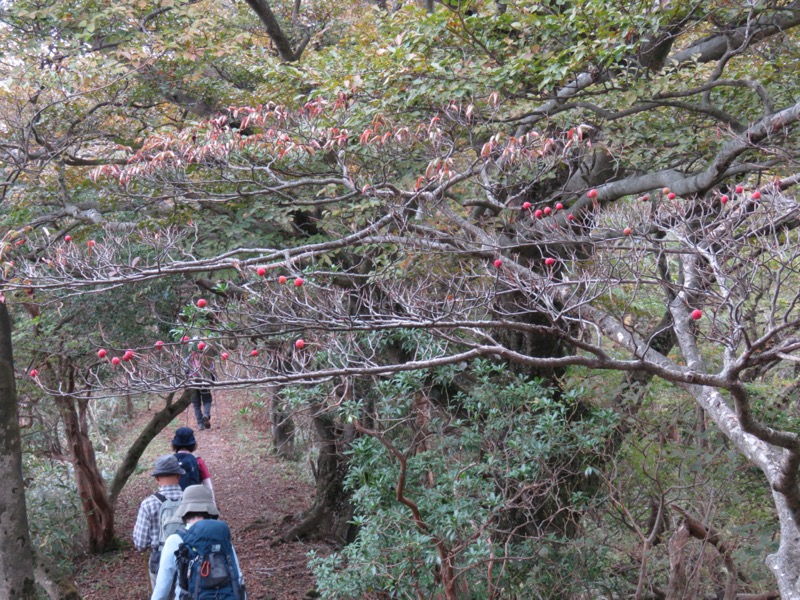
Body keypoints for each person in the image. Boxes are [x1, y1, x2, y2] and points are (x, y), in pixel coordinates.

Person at [150, 485, 246, 600]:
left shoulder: (176, 540)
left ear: (184, 511)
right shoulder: (222, 537)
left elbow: (163, 586)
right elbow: (238, 577)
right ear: (210, 511)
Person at [133, 455, 185, 590]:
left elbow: (140, 542)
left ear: (157, 479)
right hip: (188, 557)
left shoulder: (148, 504)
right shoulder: (190, 501)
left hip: (159, 558)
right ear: (179, 476)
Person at [171, 426, 215, 501]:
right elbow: (208, 486)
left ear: (174, 445)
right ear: (193, 444)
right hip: (194, 502)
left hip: (174, 502)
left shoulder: (169, 461)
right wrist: (213, 505)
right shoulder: (198, 460)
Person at [186, 344, 216, 430]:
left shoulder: (188, 358)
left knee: (196, 404)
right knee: (207, 400)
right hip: (204, 380)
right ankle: (206, 415)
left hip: (193, 381)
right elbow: (212, 369)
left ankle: (200, 424)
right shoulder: (207, 357)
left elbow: (185, 370)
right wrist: (213, 379)